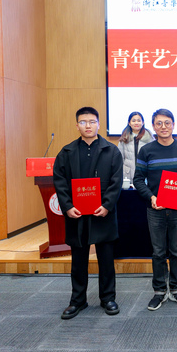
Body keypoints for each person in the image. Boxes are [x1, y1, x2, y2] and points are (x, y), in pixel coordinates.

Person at [53, 107, 123, 320]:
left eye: (92, 122)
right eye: (83, 122)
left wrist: (107, 205)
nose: (88, 126)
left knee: (106, 259)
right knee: (78, 260)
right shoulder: (67, 152)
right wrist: (67, 206)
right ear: (77, 126)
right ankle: (77, 300)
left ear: (99, 124)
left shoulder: (111, 151)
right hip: (77, 214)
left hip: (103, 213)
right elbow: (59, 181)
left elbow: (116, 181)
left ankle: (108, 298)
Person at [133, 108, 177, 311]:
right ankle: (159, 291)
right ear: (153, 126)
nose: (163, 127)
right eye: (159, 123)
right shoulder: (146, 150)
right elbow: (138, 179)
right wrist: (151, 197)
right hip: (156, 209)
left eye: (167, 123)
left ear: (173, 125)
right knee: (158, 252)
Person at [117, 111, 154, 186]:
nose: (136, 123)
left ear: (143, 122)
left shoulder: (149, 137)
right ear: (129, 123)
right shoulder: (124, 138)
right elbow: (119, 159)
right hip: (127, 175)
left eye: (139, 120)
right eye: (133, 121)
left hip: (145, 174)